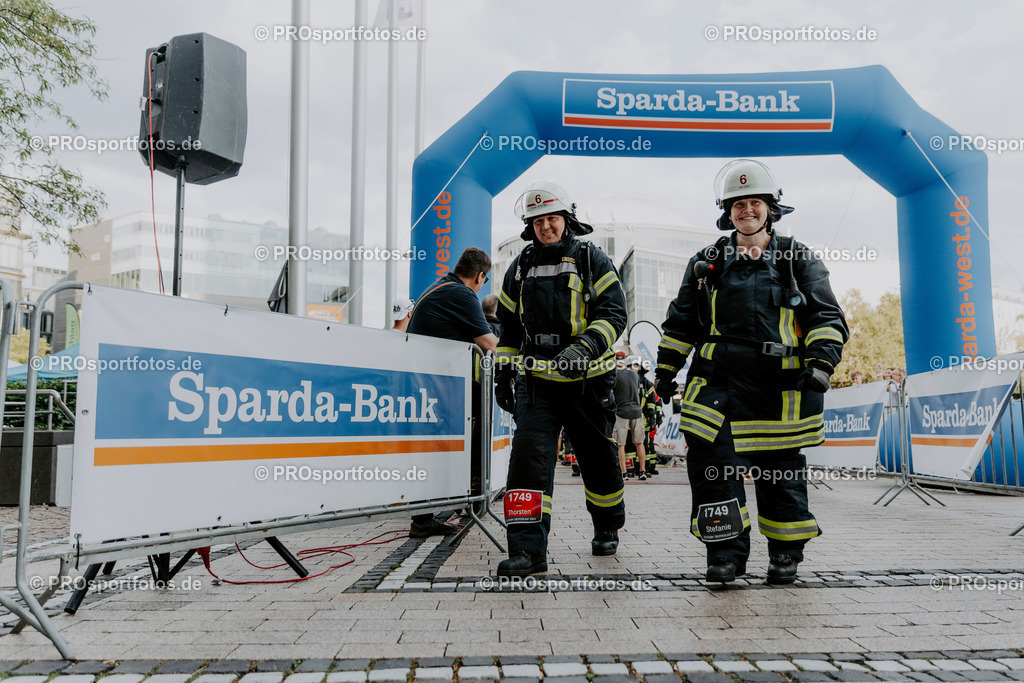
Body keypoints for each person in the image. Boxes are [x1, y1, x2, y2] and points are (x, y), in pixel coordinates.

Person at [655, 159, 849, 586]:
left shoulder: (796, 257)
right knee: (712, 468)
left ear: (770, 208)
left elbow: (826, 316)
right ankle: (725, 555)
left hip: (779, 385)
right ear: (727, 211)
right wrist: (665, 371)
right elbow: (680, 322)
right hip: (716, 383)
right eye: (738, 204)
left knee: (780, 474)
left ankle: (785, 553)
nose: (747, 210)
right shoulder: (705, 262)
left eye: (755, 202)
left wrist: (821, 363)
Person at [493, 181, 627, 577]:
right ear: (529, 226)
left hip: (588, 382)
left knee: (598, 461)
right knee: (527, 462)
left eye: (552, 218)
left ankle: (607, 525)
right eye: (538, 221)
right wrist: (503, 371)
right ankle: (528, 551)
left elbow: (614, 313)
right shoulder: (519, 267)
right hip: (537, 386)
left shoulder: (591, 259)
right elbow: (509, 329)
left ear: (567, 220)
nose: (545, 226)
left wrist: (583, 348)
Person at [404, 247, 499, 537]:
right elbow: (489, 343)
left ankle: (434, 511)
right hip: (435, 383)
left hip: (427, 382)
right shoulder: (461, 294)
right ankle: (461, 493)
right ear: (480, 276)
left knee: (441, 446)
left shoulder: (441, 285)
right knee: (466, 432)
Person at [614, 352, 647, 481]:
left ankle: (623, 473)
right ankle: (642, 471)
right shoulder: (635, 375)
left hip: (622, 412)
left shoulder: (615, 375)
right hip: (636, 412)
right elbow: (638, 392)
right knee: (639, 442)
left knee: (620, 444)